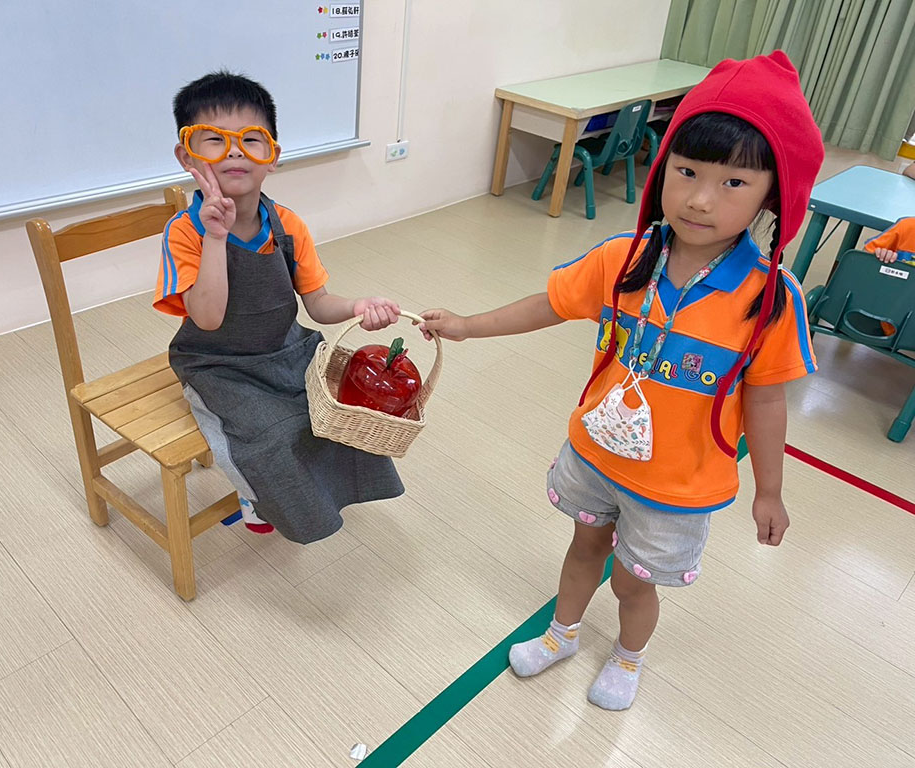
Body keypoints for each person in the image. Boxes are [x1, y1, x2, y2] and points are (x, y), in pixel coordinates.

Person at [419, 51, 823, 710]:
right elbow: (548, 305)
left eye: (733, 182)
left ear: (772, 194)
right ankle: (562, 634)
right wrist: (467, 325)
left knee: (635, 584)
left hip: (677, 486)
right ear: (663, 168)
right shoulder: (624, 258)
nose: (700, 198)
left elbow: (768, 399)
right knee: (583, 548)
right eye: (687, 171)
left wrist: (769, 492)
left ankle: (628, 658)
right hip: (598, 456)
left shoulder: (772, 299)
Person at [153, 71, 404, 543]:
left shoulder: (287, 225)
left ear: (272, 156)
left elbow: (319, 304)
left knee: (341, 406)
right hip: (218, 364)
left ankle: (327, 496)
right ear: (187, 156)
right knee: (268, 436)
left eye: (251, 140)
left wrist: (359, 305)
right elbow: (207, 317)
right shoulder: (184, 232)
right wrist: (216, 238)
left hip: (285, 349)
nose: (234, 152)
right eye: (214, 140)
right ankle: (259, 496)